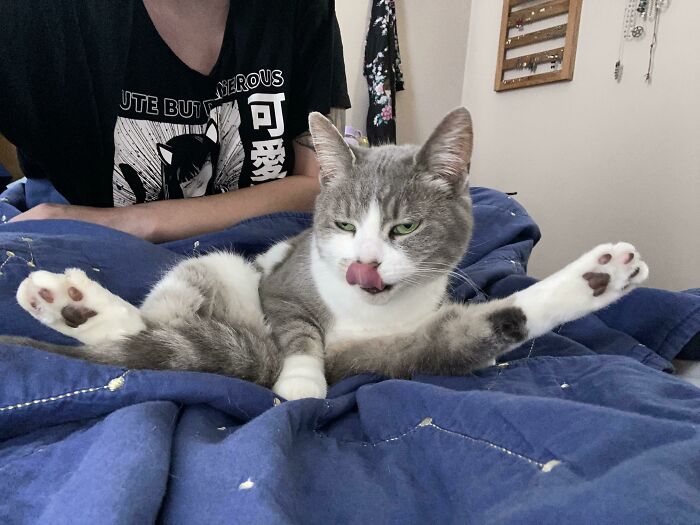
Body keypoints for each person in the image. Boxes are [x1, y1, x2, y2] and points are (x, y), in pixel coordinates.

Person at [0, 0, 350, 242]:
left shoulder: (303, 11)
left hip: (258, 272)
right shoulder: (37, 17)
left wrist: (133, 222)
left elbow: (323, 188)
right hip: (82, 267)